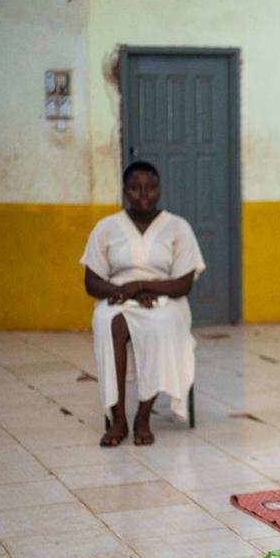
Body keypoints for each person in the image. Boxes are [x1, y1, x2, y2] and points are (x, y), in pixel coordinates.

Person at [80, 161, 206, 447]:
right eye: (135, 188)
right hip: (117, 296)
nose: (144, 194)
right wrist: (125, 291)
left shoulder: (178, 227)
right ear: (125, 190)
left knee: (158, 324)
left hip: (165, 299)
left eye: (150, 187)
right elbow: (91, 282)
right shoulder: (107, 227)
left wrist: (141, 286)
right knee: (110, 322)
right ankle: (118, 417)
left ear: (159, 188)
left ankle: (143, 417)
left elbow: (183, 283)